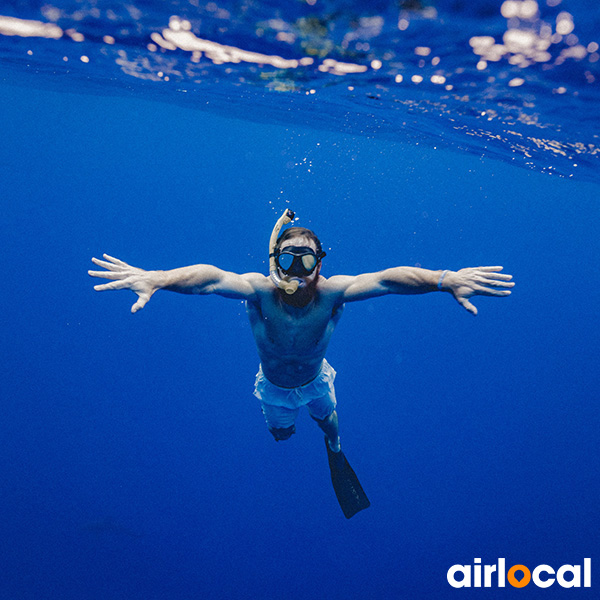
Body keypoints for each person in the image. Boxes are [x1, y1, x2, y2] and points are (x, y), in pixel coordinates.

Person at [89, 209, 514, 518]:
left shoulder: (332, 293)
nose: (298, 270)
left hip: (315, 379)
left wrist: (444, 279)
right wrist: (159, 279)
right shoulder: (257, 290)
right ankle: (288, 428)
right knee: (281, 433)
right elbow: (209, 277)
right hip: (272, 386)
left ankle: (333, 447)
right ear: (275, 262)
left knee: (330, 424)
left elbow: (388, 279)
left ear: (319, 264)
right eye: (289, 259)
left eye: (307, 260)